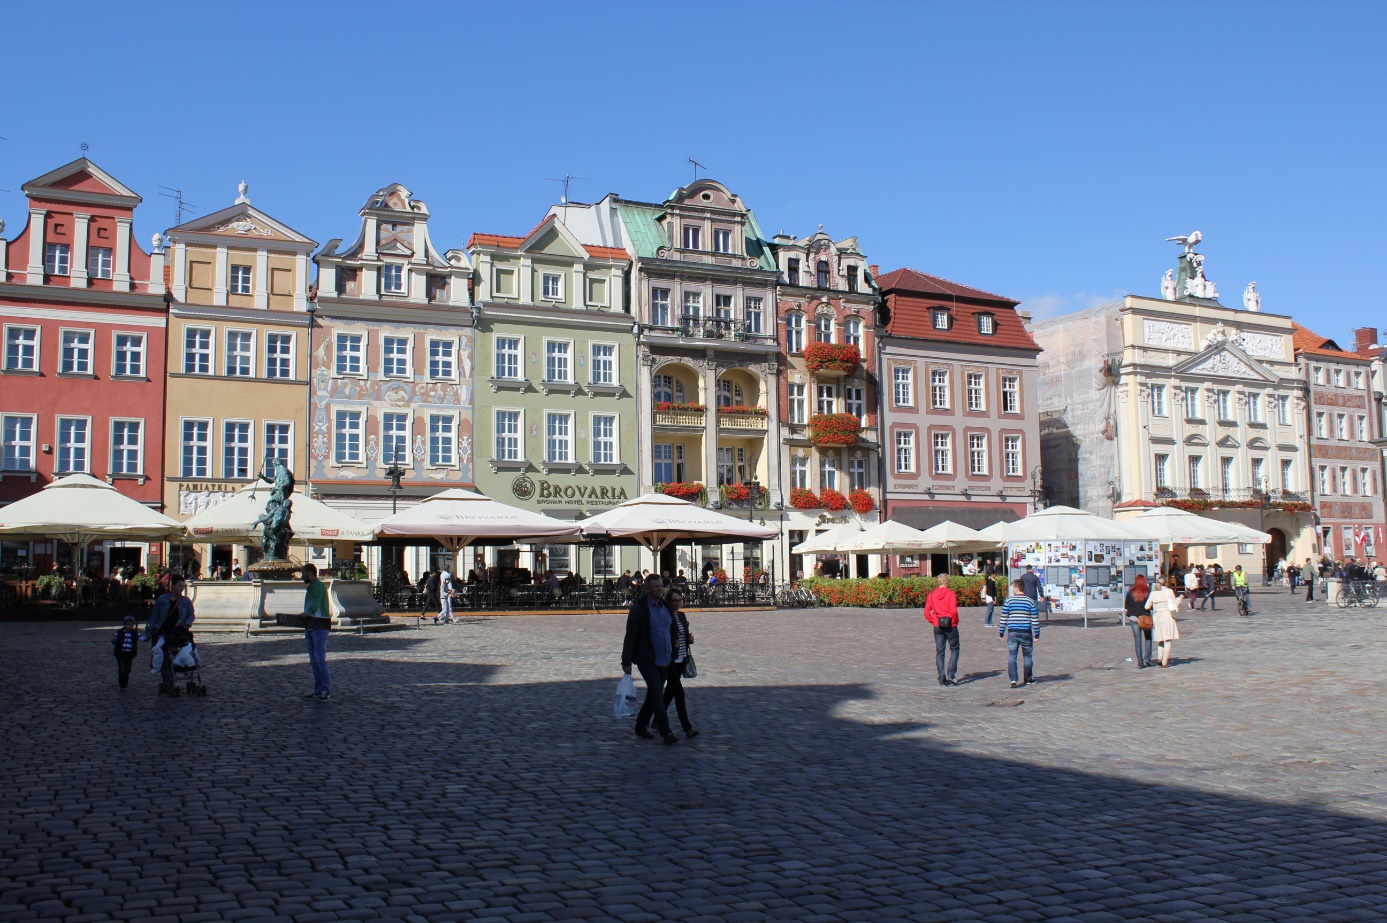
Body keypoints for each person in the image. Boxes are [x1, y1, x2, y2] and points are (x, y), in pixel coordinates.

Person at [621, 574, 679, 744]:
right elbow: (631, 636)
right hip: (648, 658)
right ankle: (666, 732)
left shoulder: (666, 607)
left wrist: (675, 641)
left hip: (666, 658)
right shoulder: (639, 610)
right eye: (656, 587)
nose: (660, 589)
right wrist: (626, 661)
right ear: (647, 589)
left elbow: (672, 628)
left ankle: (640, 726)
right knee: (657, 693)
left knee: (654, 693)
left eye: (661, 586)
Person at [660, 588, 699, 739]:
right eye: (674, 600)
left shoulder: (682, 616)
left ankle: (654, 720)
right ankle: (687, 728)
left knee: (669, 693)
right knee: (679, 694)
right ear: (668, 601)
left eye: (680, 600)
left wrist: (690, 638)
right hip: (670, 659)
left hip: (682, 657)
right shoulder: (665, 616)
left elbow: (684, 634)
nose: (677, 603)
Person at [147, 577, 195, 694]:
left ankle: (178, 674)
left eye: (183, 586)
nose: (182, 588)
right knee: (164, 656)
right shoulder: (162, 599)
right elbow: (154, 616)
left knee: (181, 653)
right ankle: (167, 679)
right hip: (163, 632)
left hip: (179, 632)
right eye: (179, 586)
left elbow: (191, 615)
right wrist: (150, 631)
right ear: (173, 585)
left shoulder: (185, 601)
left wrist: (188, 621)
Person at [998, 579, 1039, 687]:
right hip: (1026, 631)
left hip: (1012, 632)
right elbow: (1034, 618)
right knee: (1027, 656)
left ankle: (1013, 679)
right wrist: (1037, 632)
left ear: (1016, 588)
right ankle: (1028, 678)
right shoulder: (1030, 601)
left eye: (1013, 588)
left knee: (1012, 655)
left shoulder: (1008, 601)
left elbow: (1004, 617)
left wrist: (1001, 631)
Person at [300, 563, 332, 700]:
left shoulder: (318, 587)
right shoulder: (311, 587)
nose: (302, 576)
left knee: (319, 659)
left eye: (303, 573)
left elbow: (316, 603)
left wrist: (308, 613)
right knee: (314, 660)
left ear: (310, 573)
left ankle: (326, 689)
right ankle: (318, 690)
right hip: (311, 625)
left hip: (319, 625)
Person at [924, 574, 961, 687]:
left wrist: (933, 621)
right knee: (954, 649)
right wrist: (955, 621)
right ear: (947, 582)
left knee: (940, 652)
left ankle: (941, 678)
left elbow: (926, 612)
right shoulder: (950, 594)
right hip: (950, 624)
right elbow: (953, 611)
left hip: (938, 625)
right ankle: (951, 674)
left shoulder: (931, 595)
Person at [1145, 576, 1182, 668]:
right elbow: (1174, 604)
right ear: (1166, 582)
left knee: (1160, 639)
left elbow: (1147, 606)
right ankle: (1165, 661)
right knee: (1168, 639)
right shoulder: (1169, 591)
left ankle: (1159, 658)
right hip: (1167, 616)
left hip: (1157, 616)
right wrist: (1179, 599)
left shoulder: (1153, 593)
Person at [1125, 574, 1154, 668]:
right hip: (1145, 618)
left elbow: (1127, 606)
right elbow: (1151, 606)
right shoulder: (1148, 592)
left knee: (1137, 640)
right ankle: (1147, 659)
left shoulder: (1131, 592)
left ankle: (1140, 662)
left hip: (1134, 618)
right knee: (1148, 638)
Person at [112, 615, 140, 690]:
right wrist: (114, 640)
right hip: (120, 653)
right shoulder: (119, 632)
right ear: (124, 624)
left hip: (130, 654)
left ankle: (125, 681)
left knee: (128, 669)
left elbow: (141, 638)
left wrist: (147, 637)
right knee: (122, 668)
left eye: (131, 625)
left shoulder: (135, 633)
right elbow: (115, 639)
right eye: (128, 624)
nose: (129, 626)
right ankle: (122, 683)